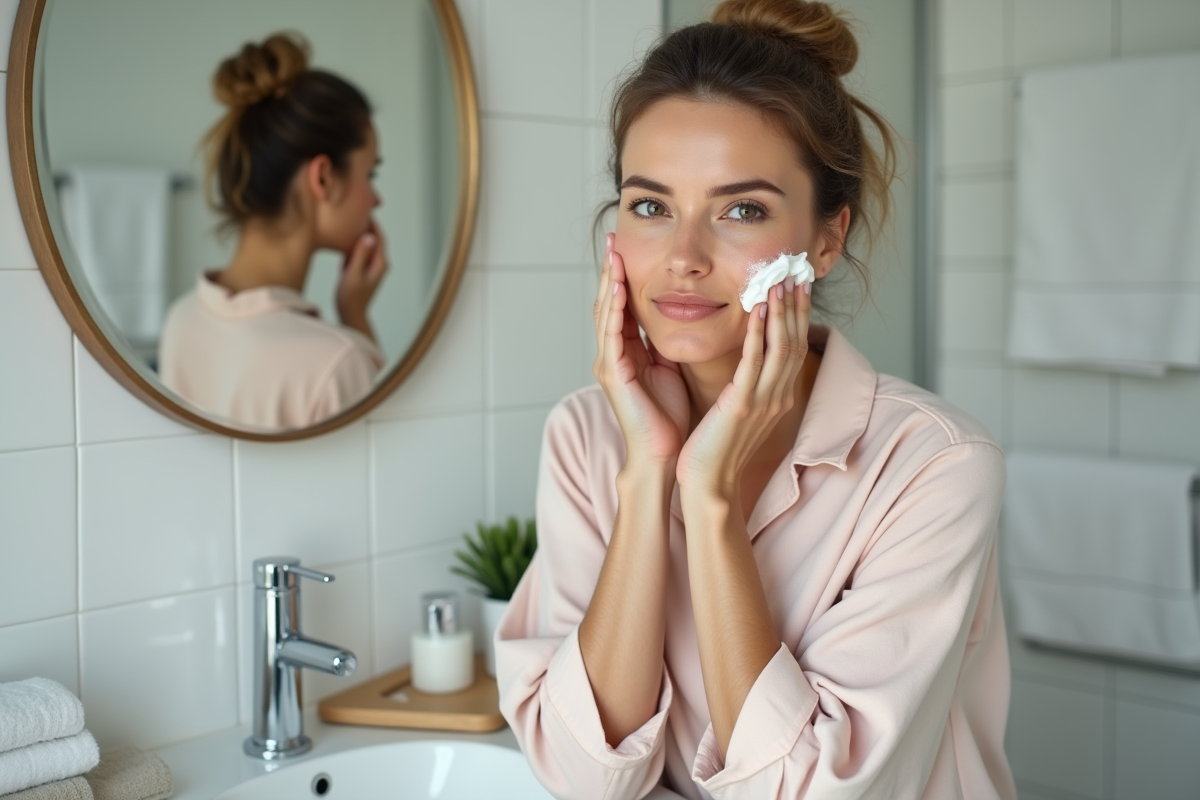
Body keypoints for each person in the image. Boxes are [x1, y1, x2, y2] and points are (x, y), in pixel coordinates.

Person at [495, 1, 1017, 798]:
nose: (682, 258)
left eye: (741, 210)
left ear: (826, 241)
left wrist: (707, 501)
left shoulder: (935, 467)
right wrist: (649, 476)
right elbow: (582, 778)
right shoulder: (587, 436)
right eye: (650, 206)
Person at [159, 33, 386, 431]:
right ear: (323, 178)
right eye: (370, 174)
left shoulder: (181, 321)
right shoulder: (335, 363)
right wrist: (357, 323)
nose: (376, 199)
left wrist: (353, 312)